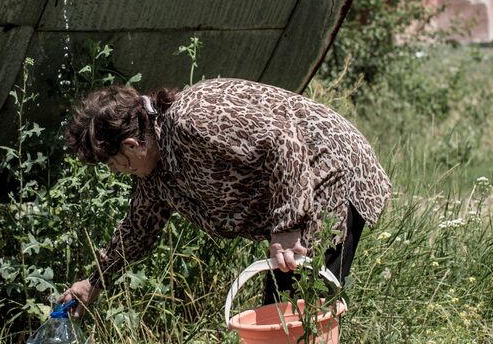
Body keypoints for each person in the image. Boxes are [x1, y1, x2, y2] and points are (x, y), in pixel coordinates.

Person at [57, 77, 391, 315]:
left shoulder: (193, 118)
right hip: (300, 188)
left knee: (299, 311)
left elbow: (282, 140)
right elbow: (137, 231)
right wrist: (94, 283)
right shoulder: (157, 172)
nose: (116, 172)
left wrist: (289, 225)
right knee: (286, 313)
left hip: (328, 169)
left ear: (131, 145)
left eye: (113, 163)